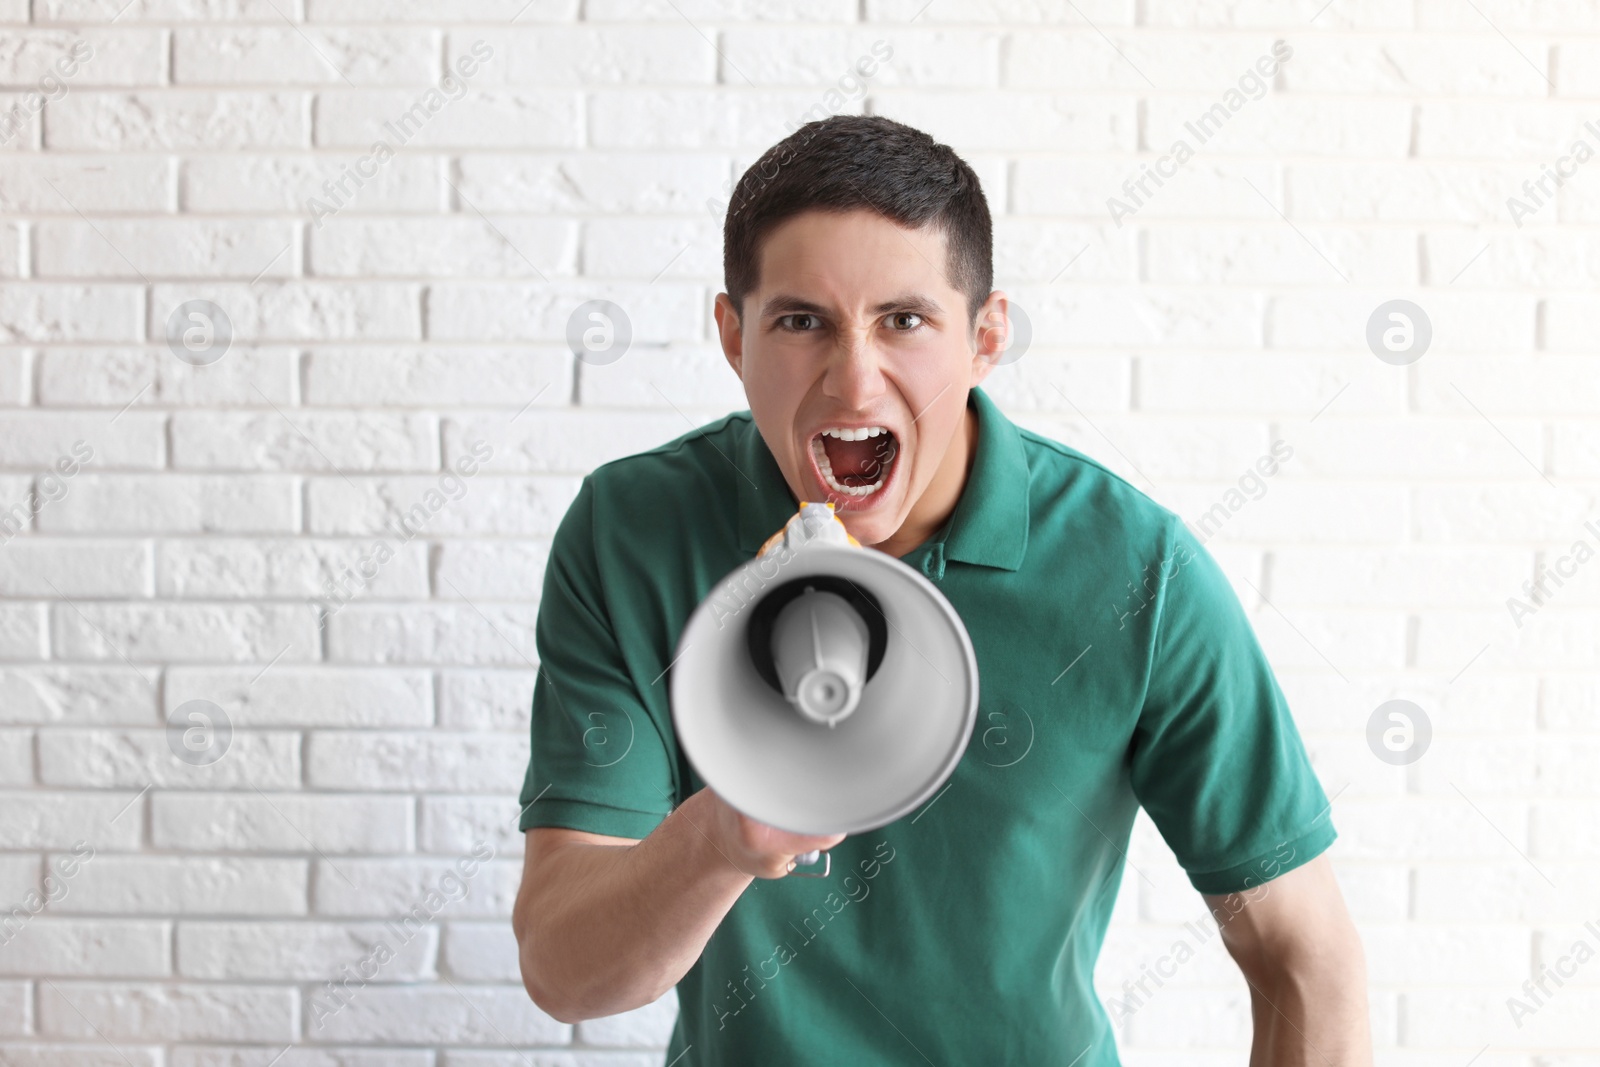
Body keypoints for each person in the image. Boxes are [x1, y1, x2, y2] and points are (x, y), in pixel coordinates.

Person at [511, 114, 1372, 1066]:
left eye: (904, 320)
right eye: (802, 321)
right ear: (731, 334)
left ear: (985, 337)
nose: (854, 381)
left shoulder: (1138, 570)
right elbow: (566, 970)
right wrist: (722, 833)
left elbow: (1305, 954)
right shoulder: (631, 532)